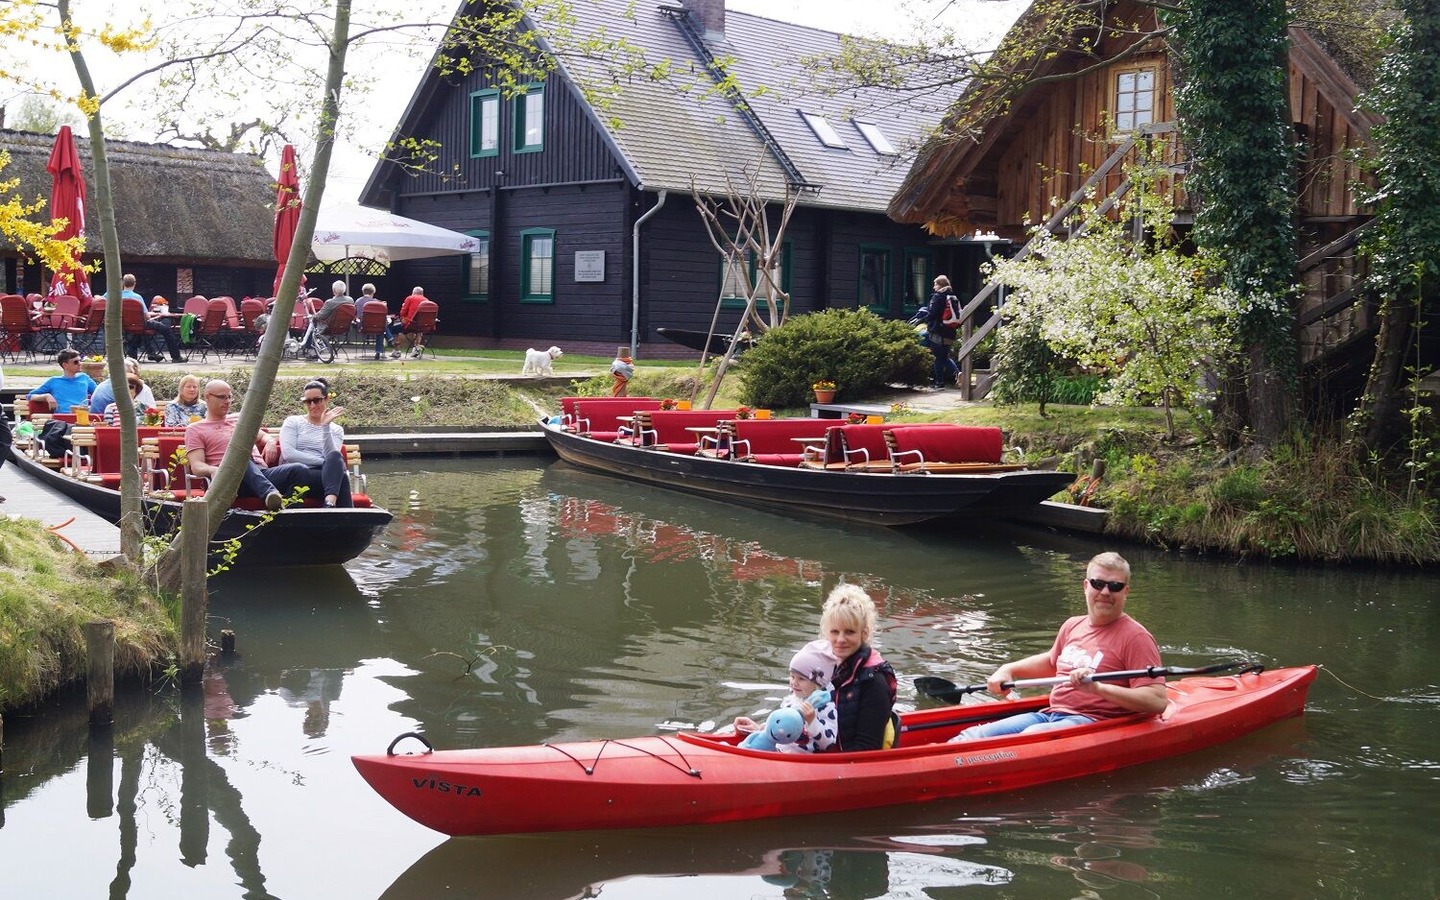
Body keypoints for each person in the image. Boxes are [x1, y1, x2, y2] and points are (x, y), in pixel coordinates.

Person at [950, 552, 1166, 741]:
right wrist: (1009, 669)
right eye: (1098, 584)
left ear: (1125, 591)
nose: (1106, 592)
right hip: (1051, 714)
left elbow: (1157, 701)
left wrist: (1098, 689)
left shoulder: (1136, 637)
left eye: (1115, 586)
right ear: (1086, 586)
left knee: (1030, 737)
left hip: (1093, 720)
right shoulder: (1072, 625)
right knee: (974, 735)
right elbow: (1053, 662)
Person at [184, 379, 312, 512]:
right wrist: (213, 470)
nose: (227, 401)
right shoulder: (195, 429)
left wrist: (270, 442)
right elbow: (197, 466)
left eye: (229, 397)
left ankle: (289, 515)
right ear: (207, 397)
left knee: (299, 470)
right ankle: (270, 494)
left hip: (260, 473)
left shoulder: (239, 419)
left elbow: (263, 436)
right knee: (240, 455)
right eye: (222, 397)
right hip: (231, 480)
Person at [820, 584, 897, 751]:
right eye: (834, 632)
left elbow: (866, 747)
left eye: (849, 632)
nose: (840, 639)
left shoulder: (874, 682)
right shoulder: (827, 669)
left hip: (849, 759)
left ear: (864, 633)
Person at [732, 640, 839, 754]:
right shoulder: (791, 699)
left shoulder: (826, 707)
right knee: (747, 746)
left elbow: (828, 743)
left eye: (801, 679)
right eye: (792, 676)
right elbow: (780, 729)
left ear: (818, 684)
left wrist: (812, 721)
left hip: (799, 759)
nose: (794, 683)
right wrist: (758, 728)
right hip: (778, 751)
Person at [277, 378, 353, 508]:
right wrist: (325, 463)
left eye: (317, 400)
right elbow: (289, 454)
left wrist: (325, 427)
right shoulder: (293, 422)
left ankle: (331, 506)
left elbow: (331, 456)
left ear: (326, 399)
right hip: (296, 473)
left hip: (321, 476)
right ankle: (337, 512)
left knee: (336, 460)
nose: (312, 406)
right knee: (340, 477)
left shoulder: (336, 430)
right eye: (308, 401)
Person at [117, 275, 184, 363]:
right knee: (166, 329)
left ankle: (150, 353)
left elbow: (101, 299)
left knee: (139, 332)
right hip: (140, 324)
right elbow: (146, 316)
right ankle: (176, 357)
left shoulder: (115, 296)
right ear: (134, 284)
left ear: (123, 283)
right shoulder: (137, 297)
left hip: (123, 326)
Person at [27, 348, 97, 413]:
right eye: (76, 362)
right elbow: (30, 396)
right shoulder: (54, 381)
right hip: (61, 419)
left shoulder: (84, 378)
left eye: (80, 360)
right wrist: (46, 396)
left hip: (82, 418)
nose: (80, 363)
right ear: (65, 365)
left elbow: (98, 393)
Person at [924, 275, 961, 389]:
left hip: (938, 331)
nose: (934, 287)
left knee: (937, 358)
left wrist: (927, 320)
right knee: (944, 356)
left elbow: (932, 313)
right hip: (950, 331)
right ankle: (958, 373)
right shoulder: (953, 297)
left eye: (935, 284)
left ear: (941, 285)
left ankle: (939, 382)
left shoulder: (938, 297)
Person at [89, 357, 157, 415]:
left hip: (96, 420)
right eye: (132, 373)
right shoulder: (119, 388)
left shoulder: (103, 385)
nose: (134, 376)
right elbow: (150, 413)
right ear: (123, 373)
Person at [304, 280, 352, 355]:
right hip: (344, 327)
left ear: (333, 290)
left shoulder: (330, 302)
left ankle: (311, 351)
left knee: (311, 325)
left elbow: (320, 316)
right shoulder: (350, 300)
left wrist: (313, 316)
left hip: (328, 327)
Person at [390, 286, 429, 359]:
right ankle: (416, 349)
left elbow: (403, 312)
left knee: (395, 329)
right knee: (418, 331)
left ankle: (396, 351)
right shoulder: (426, 300)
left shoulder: (410, 298)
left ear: (413, 292)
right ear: (422, 293)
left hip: (410, 324)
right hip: (422, 325)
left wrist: (402, 318)